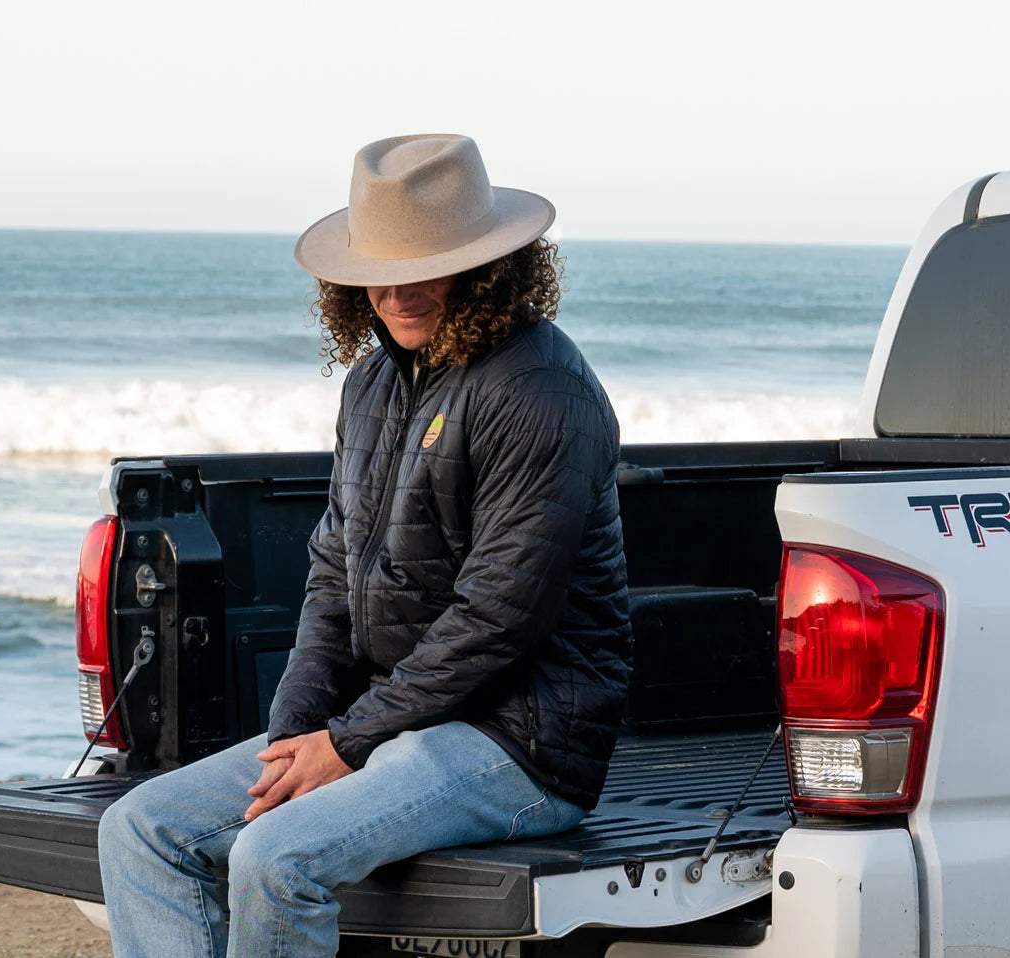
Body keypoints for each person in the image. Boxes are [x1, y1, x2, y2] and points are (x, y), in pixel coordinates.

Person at [98, 133, 632, 958]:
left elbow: (499, 616)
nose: (396, 290)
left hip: (519, 743)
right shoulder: (373, 385)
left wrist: (345, 745)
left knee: (275, 856)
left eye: (426, 264)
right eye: (377, 267)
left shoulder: (542, 391)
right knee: (138, 830)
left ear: (487, 267)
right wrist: (297, 733)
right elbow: (333, 579)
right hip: (390, 724)